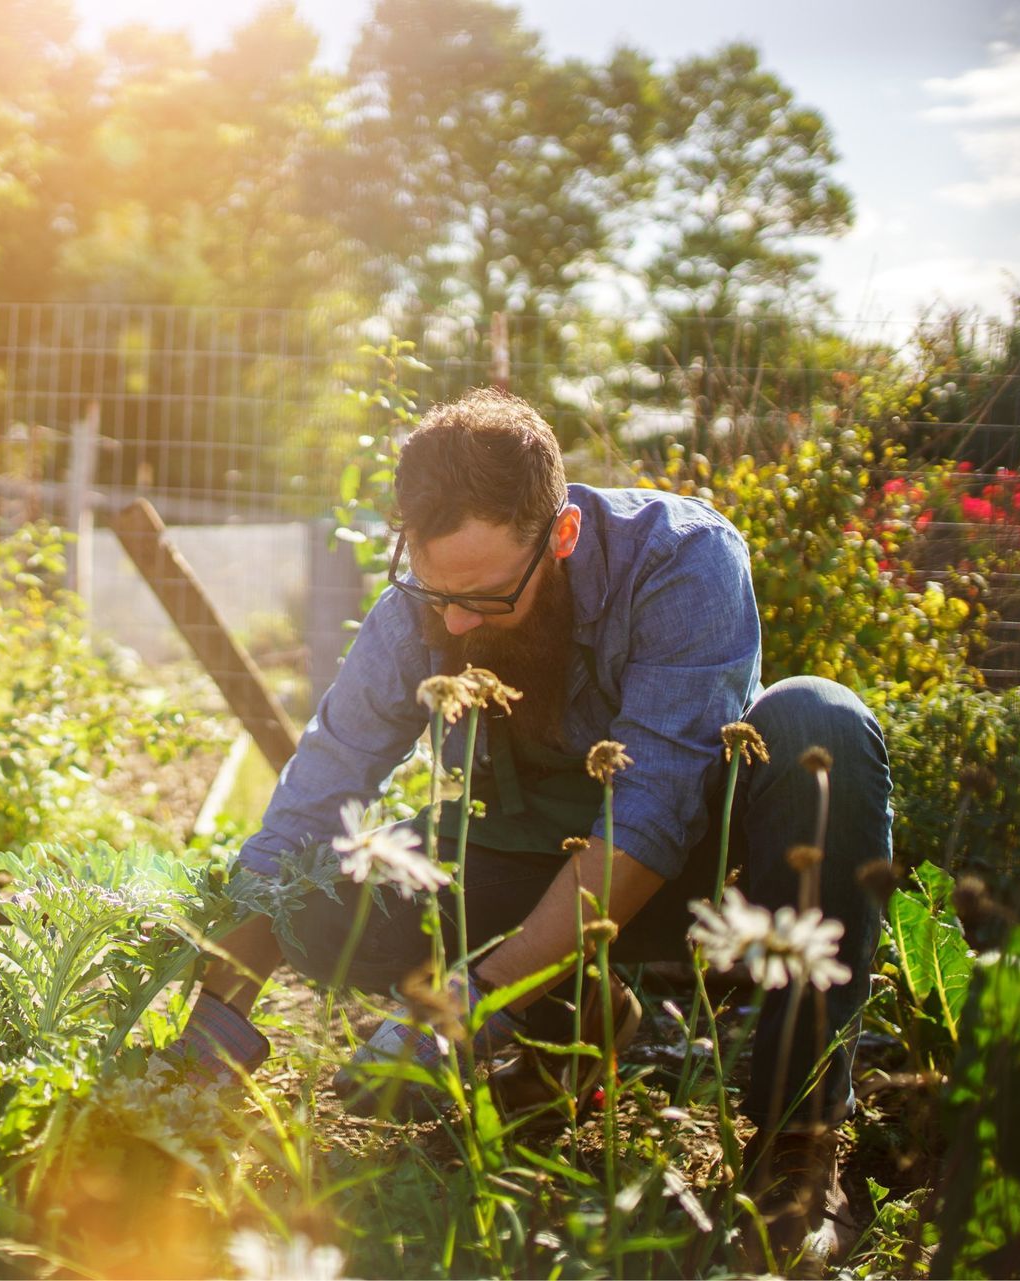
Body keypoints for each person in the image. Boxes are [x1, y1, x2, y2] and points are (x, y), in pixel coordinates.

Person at [162, 388, 891, 1269]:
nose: (457, 622)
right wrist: (210, 1024)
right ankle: (575, 1022)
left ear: (563, 537)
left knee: (823, 724)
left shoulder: (682, 561)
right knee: (316, 898)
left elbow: (653, 814)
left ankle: (798, 1152)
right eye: (437, 593)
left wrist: (471, 1000)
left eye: (486, 596)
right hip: (522, 863)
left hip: (695, 882)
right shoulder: (422, 606)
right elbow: (316, 792)